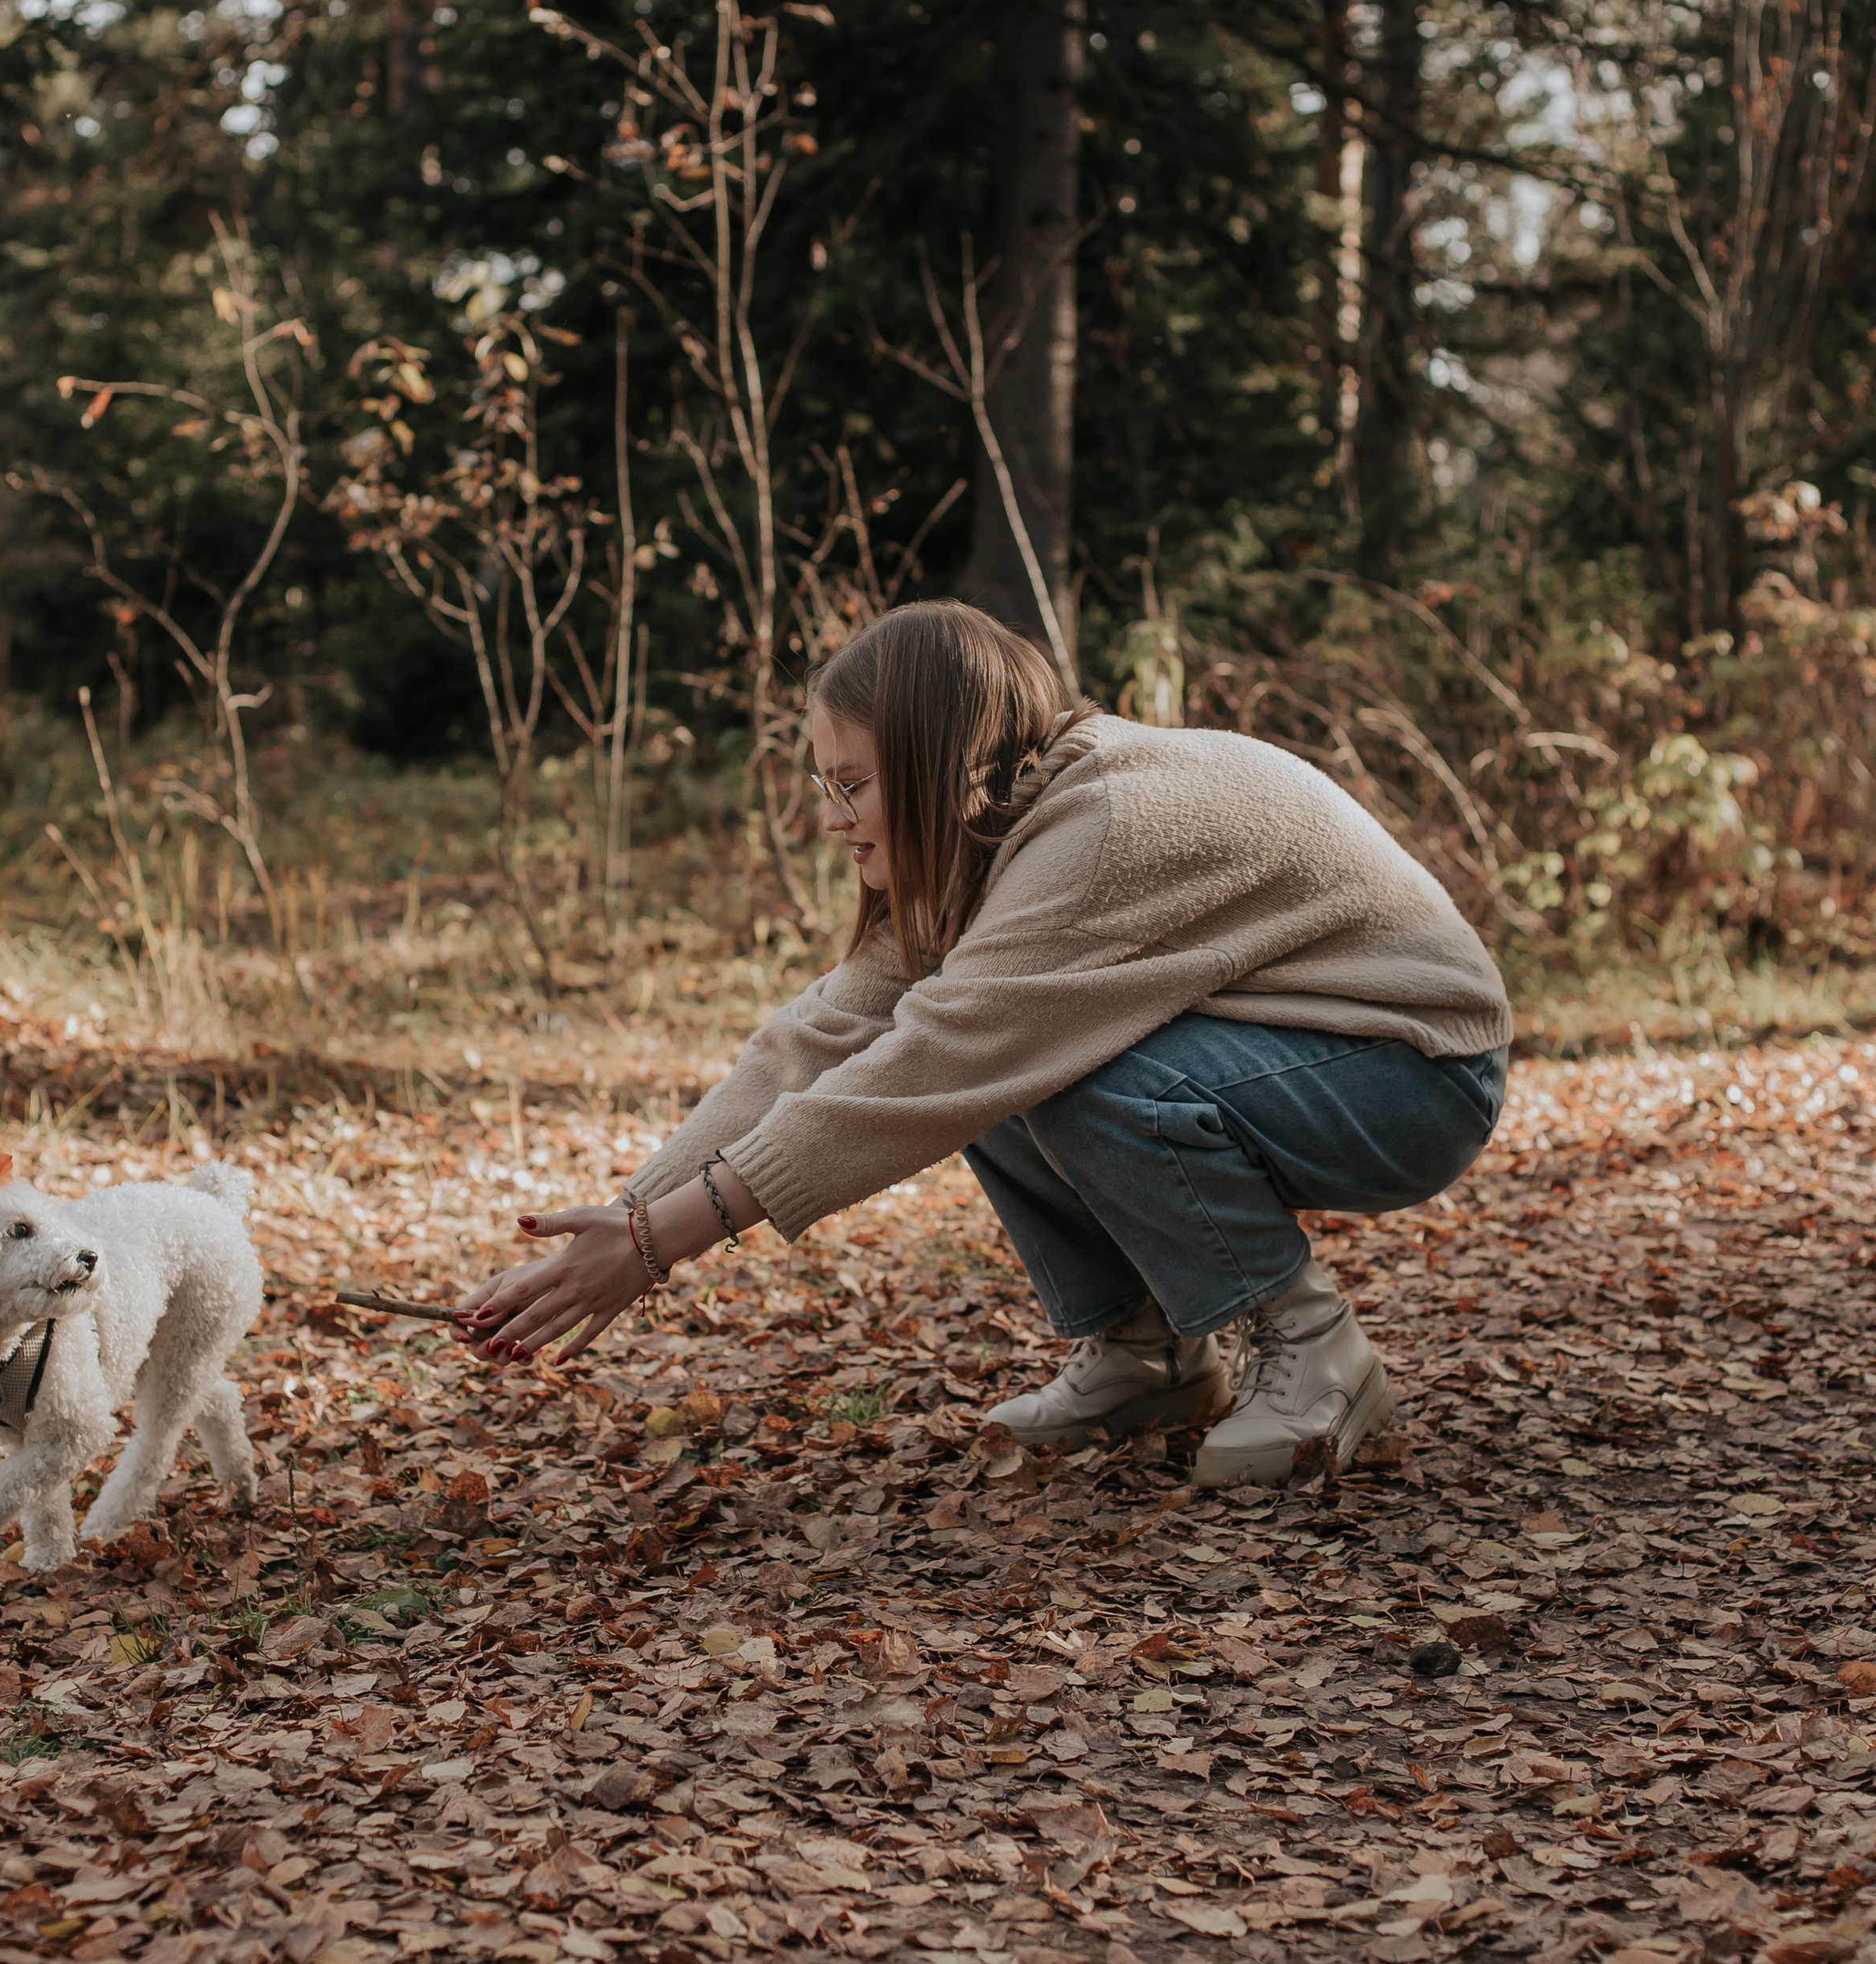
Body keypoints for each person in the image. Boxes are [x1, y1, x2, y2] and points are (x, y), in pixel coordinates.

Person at [458, 601, 1512, 1486]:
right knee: (1000, 1058)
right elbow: (810, 1045)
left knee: (1042, 1069)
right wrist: (624, 1221)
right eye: (825, 787)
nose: (831, 818)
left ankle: (1316, 1349)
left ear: (936, 762)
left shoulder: (1093, 835)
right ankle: (1149, 1357)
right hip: (1297, 1051)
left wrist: (660, 1244)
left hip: (1417, 1072)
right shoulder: (994, 840)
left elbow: (930, 1068)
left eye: (852, 784)